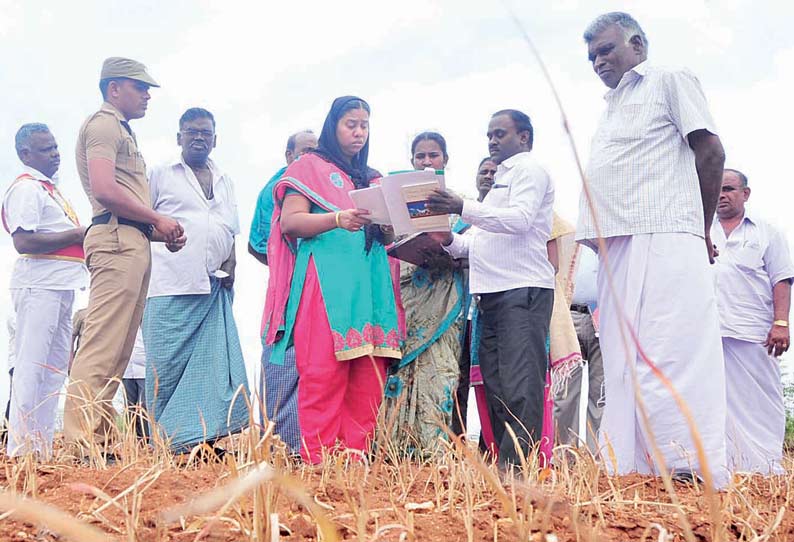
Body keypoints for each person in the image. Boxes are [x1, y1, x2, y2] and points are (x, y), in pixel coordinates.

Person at [577, 13, 728, 486]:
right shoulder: (612, 105)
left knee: (669, 349)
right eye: (592, 56)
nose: (599, 61)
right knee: (623, 360)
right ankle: (633, 468)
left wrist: (700, 229)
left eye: (606, 50)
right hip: (619, 243)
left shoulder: (668, 80)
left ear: (636, 43)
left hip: (665, 234)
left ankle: (685, 467)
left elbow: (711, 152)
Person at [263, 96, 402, 464]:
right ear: (332, 125)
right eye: (350, 124)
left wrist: (392, 226)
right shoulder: (308, 167)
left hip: (371, 284)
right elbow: (290, 222)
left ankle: (353, 464)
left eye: (364, 125)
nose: (358, 132)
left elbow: (387, 238)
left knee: (369, 376)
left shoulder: (374, 178)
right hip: (326, 283)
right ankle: (319, 464)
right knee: (324, 374)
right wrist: (338, 218)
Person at [65, 57, 186, 462]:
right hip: (116, 239)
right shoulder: (103, 125)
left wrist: (157, 230)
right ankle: (81, 444)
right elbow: (104, 190)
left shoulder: (120, 131)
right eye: (140, 87)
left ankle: (96, 442)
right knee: (102, 344)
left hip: (130, 240)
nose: (147, 95)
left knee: (117, 347)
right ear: (114, 88)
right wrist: (157, 219)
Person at [428, 109, 555, 469]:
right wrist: (447, 238)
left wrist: (462, 207)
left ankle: (519, 470)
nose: (493, 141)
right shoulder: (500, 181)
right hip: (492, 295)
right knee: (497, 387)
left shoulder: (529, 170)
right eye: (489, 135)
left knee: (519, 384)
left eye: (500, 133)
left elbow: (520, 220)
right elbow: (479, 244)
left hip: (522, 291)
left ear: (524, 137)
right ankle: (505, 466)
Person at [143, 108, 249, 453]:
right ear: (179, 138)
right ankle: (167, 443)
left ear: (215, 139)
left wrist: (232, 262)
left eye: (205, 132)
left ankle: (206, 441)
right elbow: (141, 222)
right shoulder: (160, 174)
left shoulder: (225, 179)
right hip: (168, 285)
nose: (199, 137)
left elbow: (229, 227)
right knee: (166, 368)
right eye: (191, 132)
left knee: (213, 370)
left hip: (213, 285)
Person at [1, 123, 88, 457]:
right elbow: (23, 240)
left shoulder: (49, 189)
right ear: (25, 154)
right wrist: (76, 235)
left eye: (55, 147)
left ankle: (42, 449)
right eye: (46, 149)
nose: (56, 154)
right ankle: (21, 450)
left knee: (53, 372)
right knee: (31, 367)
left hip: (62, 286)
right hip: (39, 285)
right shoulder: (27, 189)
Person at [382, 132, 464, 456]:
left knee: (440, 372)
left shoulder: (459, 203)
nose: (427, 161)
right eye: (421, 157)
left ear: (445, 159)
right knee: (402, 371)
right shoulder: (396, 208)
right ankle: (395, 449)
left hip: (446, 302)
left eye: (433, 155)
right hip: (408, 300)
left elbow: (469, 247)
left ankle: (433, 449)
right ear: (412, 162)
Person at [711, 169, 793, 474]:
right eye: (716, 189)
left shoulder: (767, 232)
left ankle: (765, 467)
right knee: (714, 402)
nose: (721, 195)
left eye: (729, 189)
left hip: (755, 333)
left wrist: (781, 323)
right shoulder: (702, 231)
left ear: (745, 193)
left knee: (762, 402)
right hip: (710, 334)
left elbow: (782, 280)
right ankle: (725, 466)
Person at [249, 130, 317, 454]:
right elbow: (256, 244)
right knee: (281, 359)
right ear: (289, 154)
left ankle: (308, 446)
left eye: (316, 151)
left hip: (319, 289)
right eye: (305, 151)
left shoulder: (322, 181)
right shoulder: (275, 187)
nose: (311, 157)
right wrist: (285, 265)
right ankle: (279, 445)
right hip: (285, 291)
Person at [552, 245, 604, 452]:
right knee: (564, 394)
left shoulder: (614, 233)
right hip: (568, 315)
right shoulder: (568, 230)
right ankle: (563, 457)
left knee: (601, 395)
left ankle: (598, 461)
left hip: (605, 317)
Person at [73, 309, 148, 440]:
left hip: (143, 367)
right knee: (129, 406)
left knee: (144, 405)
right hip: (125, 368)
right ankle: (135, 441)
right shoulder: (83, 314)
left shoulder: (143, 312)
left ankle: (148, 440)